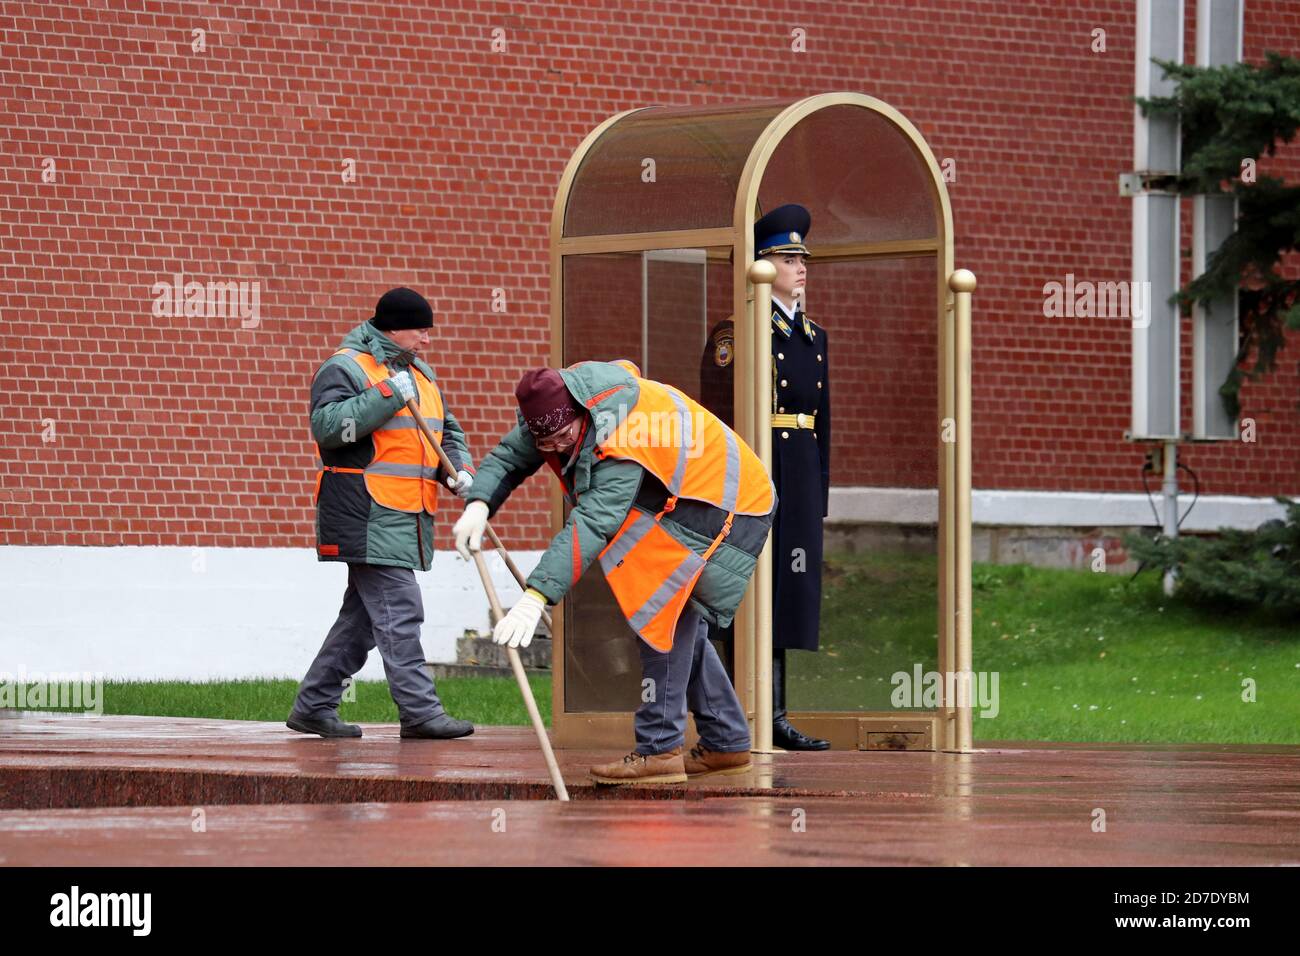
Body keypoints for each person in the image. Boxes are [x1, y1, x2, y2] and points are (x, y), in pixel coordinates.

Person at [453, 360, 776, 784]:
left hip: (723, 507)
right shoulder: (558, 411)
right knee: (680, 624)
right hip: (688, 500)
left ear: (580, 414)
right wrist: (480, 503)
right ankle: (725, 742)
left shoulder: (622, 439)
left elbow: (591, 524)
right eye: (544, 442)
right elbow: (510, 457)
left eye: (564, 438)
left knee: (661, 615)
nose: (557, 449)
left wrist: (536, 597)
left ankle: (659, 750)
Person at [288, 287, 477, 740]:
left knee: (363, 620)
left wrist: (461, 469)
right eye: (420, 330)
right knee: (400, 610)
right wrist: (388, 395)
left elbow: (446, 431)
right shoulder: (347, 367)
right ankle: (420, 712)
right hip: (365, 513)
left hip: (406, 515)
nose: (427, 340)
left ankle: (314, 705)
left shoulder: (422, 376)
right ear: (393, 327)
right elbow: (329, 427)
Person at [699, 204, 831, 751]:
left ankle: (774, 715)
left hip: (796, 469)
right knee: (742, 589)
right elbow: (718, 410)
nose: (800, 266)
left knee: (786, 593)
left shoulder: (813, 335)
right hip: (753, 469)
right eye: (786, 256)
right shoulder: (739, 331)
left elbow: (824, 419)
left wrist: (819, 490)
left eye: (802, 257)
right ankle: (733, 717)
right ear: (760, 264)